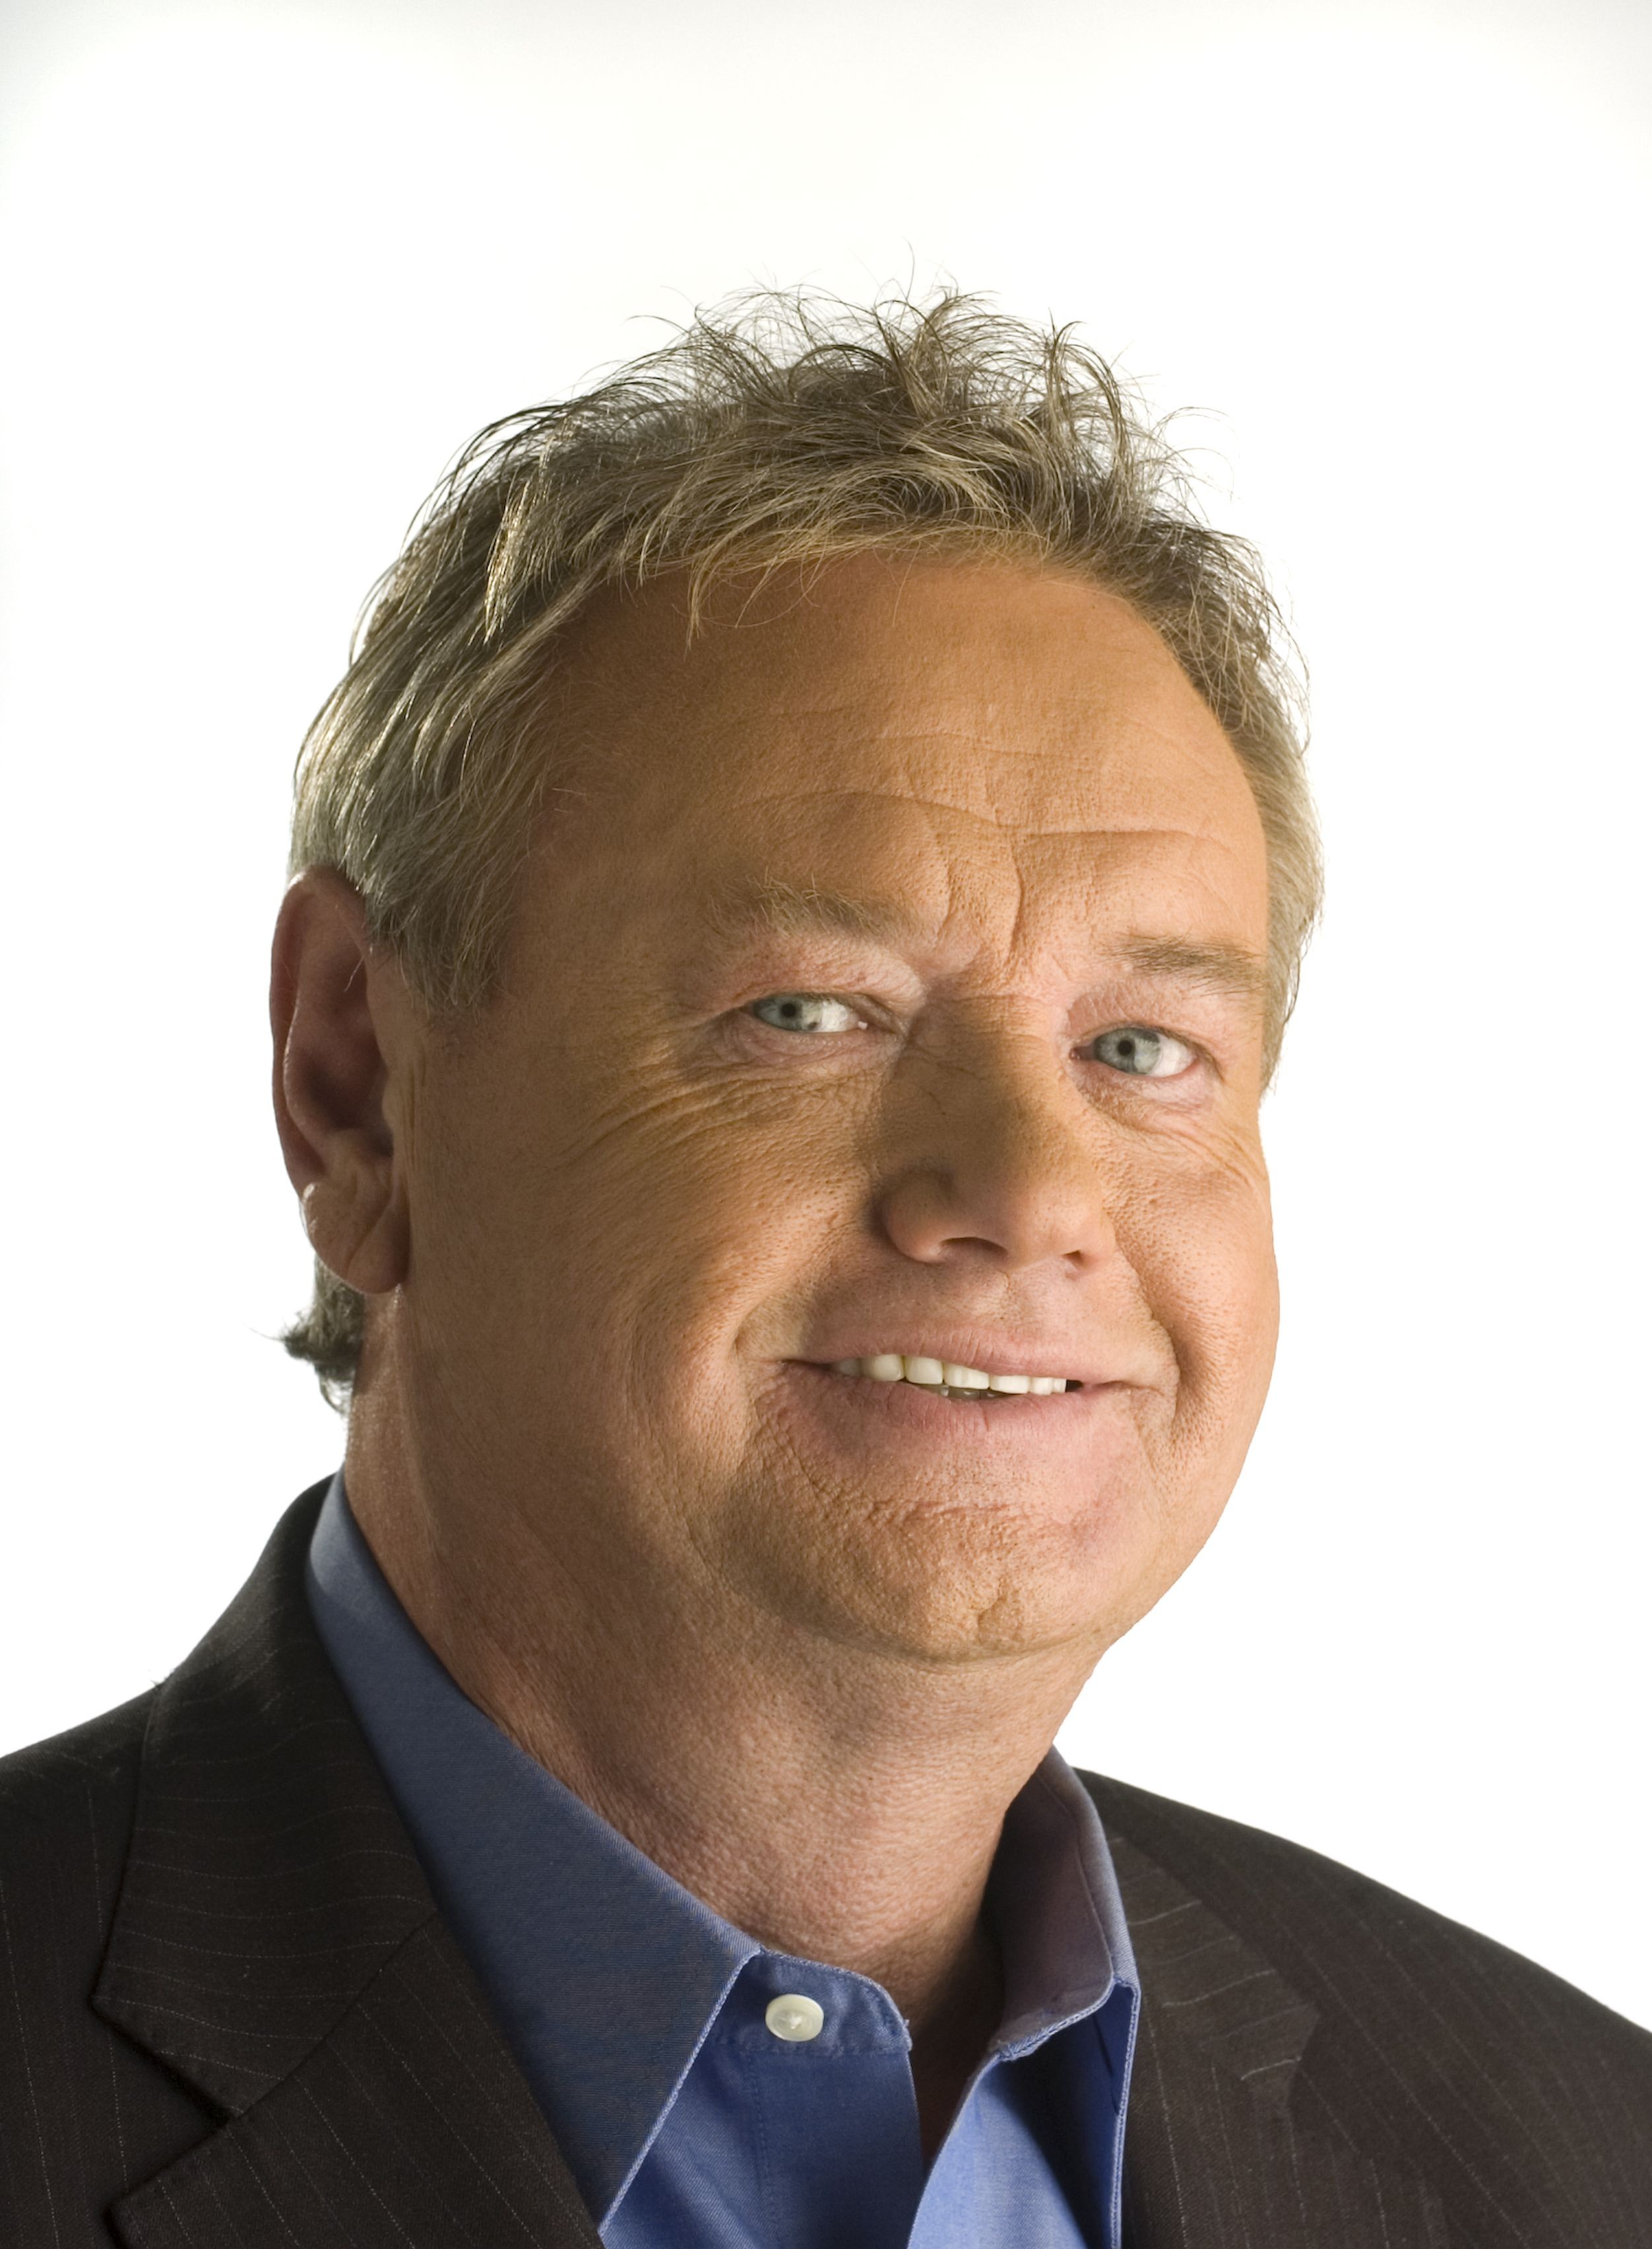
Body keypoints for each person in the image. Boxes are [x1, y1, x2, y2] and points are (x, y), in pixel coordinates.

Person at [1, 292, 1646, 2249]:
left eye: (1141, 1047)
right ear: (358, 1088)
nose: (1027, 1193)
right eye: (810, 1009)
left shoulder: (1580, 2154)